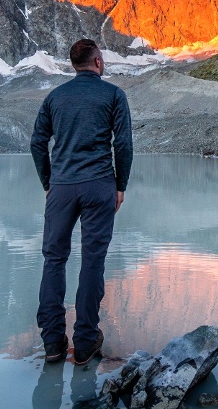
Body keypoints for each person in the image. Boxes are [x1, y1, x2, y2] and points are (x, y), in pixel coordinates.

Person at [31, 38, 133, 364]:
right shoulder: (114, 95)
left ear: (74, 65)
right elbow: (124, 145)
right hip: (99, 186)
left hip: (61, 188)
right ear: (98, 62)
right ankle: (86, 342)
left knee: (54, 260)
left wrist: (49, 182)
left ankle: (52, 343)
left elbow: (37, 143)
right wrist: (120, 185)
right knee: (92, 261)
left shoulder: (54, 97)